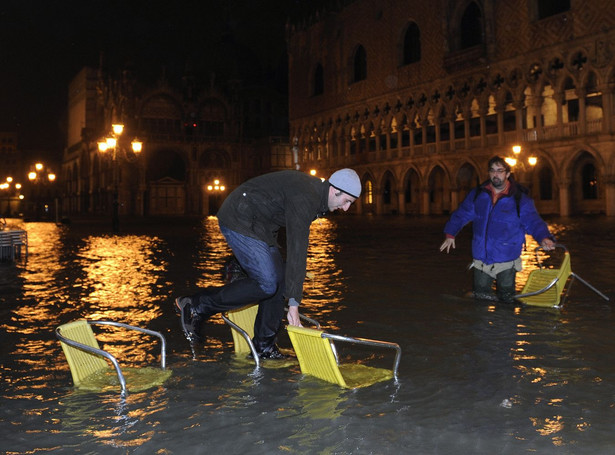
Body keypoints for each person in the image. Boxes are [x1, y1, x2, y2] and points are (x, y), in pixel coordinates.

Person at [174, 168, 362, 358]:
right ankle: (195, 305)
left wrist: (291, 290)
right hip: (239, 217)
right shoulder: (307, 196)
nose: (346, 208)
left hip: (262, 227)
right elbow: (297, 249)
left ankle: (264, 346)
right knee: (267, 283)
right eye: (347, 201)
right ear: (334, 190)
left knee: (279, 280)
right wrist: (294, 304)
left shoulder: (317, 199)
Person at [439, 156, 555, 303]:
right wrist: (451, 233)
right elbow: (462, 214)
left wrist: (544, 237)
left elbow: (533, 222)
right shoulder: (477, 195)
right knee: (480, 298)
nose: (496, 175)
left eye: (500, 171)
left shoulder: (520, 199)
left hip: (507, 258)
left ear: (507, 174)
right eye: (492, 171)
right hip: (481, 258)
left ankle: (506, 324)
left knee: (506, 299)